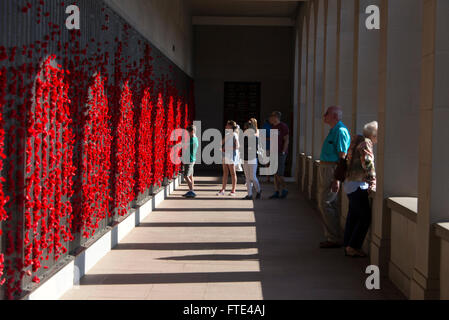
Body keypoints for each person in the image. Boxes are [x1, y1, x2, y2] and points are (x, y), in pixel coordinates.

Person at [342, 121, 377, 257]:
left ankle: (347, 244)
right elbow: (368, 163)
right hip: (357, 184)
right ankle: (353, 246)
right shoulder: (365, 143)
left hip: (349, 183)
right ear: (374, 135)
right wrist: (372, 182)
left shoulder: (356, 141)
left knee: (353, 215)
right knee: (365, 217)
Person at [318, 106, 351, 249]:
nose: (324, 115)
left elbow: (342, 156)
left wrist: (336, 178)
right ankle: (333, 236)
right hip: (326, 168)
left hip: (331, 169)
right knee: (329, 203)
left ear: (335, 116)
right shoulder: (334, 130)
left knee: (326, 202)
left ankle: (333, 237)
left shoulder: (341, 131)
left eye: (327, 113)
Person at [268, 111, 289, 199]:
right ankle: (277, 191)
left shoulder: (283, 126)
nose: (270, 118)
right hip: (273, 152)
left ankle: (284, 188)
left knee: (279, 173)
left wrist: (283, 151)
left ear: (276, 117)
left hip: (280, 153)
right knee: (275, 173)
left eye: (272, 116)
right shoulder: (273, 127)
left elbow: (286, 139)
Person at [217, 120, 240, 196]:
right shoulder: (228, 134)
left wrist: (227, 148)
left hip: (231, 156)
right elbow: (221, 143)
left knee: (233, 173)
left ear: (230, 126)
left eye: (227, 125)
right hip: (225, 155)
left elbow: (237, 146)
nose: (226, 126)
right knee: (225, 173)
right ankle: (223, 190)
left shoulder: (234, 135)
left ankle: (233, 190)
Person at [242, 120, 261, 200]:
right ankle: (249, 194)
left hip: (252, 158)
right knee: (247, 178)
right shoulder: (243, 137)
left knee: (252, 177)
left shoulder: (254, 137)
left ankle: (259, 190)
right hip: (245, 158)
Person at [182, 125, 199, 198]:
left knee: (186, 175)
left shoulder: (192, 140)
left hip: (189, 160)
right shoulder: (195, 138)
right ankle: (192, 190)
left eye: (188, 132)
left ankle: (191, 191)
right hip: (192, 159)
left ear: (192, 132)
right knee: (191, 176)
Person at [261, 119, 272, 183]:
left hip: (272, 147)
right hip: (267, 147)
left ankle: (270, 177)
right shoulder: (265, 127)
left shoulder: (275, 126)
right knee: (267, 163)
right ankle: (268, 178)